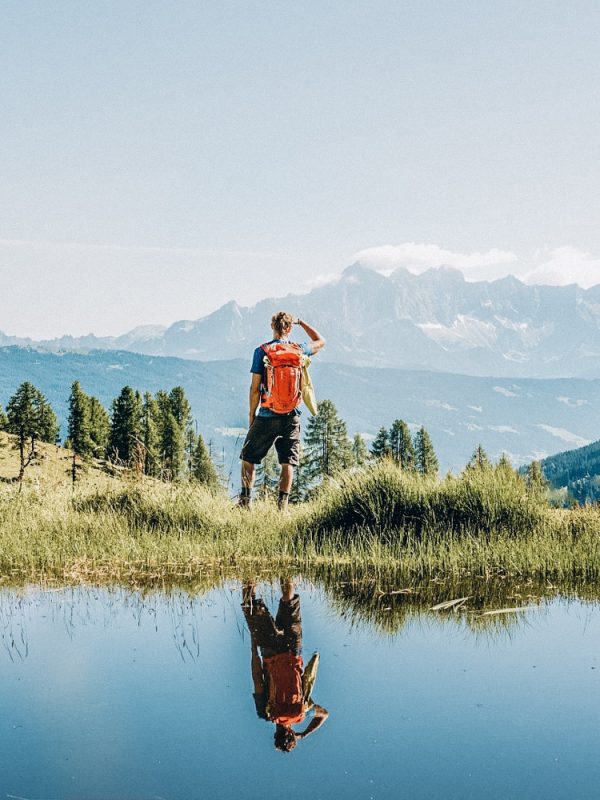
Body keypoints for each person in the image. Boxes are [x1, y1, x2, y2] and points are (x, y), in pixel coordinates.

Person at [238, 311, 326, 509]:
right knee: (288, 463)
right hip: (291, 416)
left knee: (248, 457)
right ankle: (282, 508)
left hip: (268, 414)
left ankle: (245, 503)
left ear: (272, 327)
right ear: (289, 328)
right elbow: (321, 341)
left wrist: (252, 415)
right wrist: (302, 322)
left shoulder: (262, 352)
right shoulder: (299, 349)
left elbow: (254, 389)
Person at [242, 579, 329, 752]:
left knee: (288, 602)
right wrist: (253, 648)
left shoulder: (302, 711)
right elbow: (257, 676)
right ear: (275, 735)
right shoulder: (266, 712)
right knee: (250, 604)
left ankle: (286, 569)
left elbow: (324, 715)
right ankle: (248, 571)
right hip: (270, 652)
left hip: (292, 651)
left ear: (291, 732)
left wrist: (303, 734)